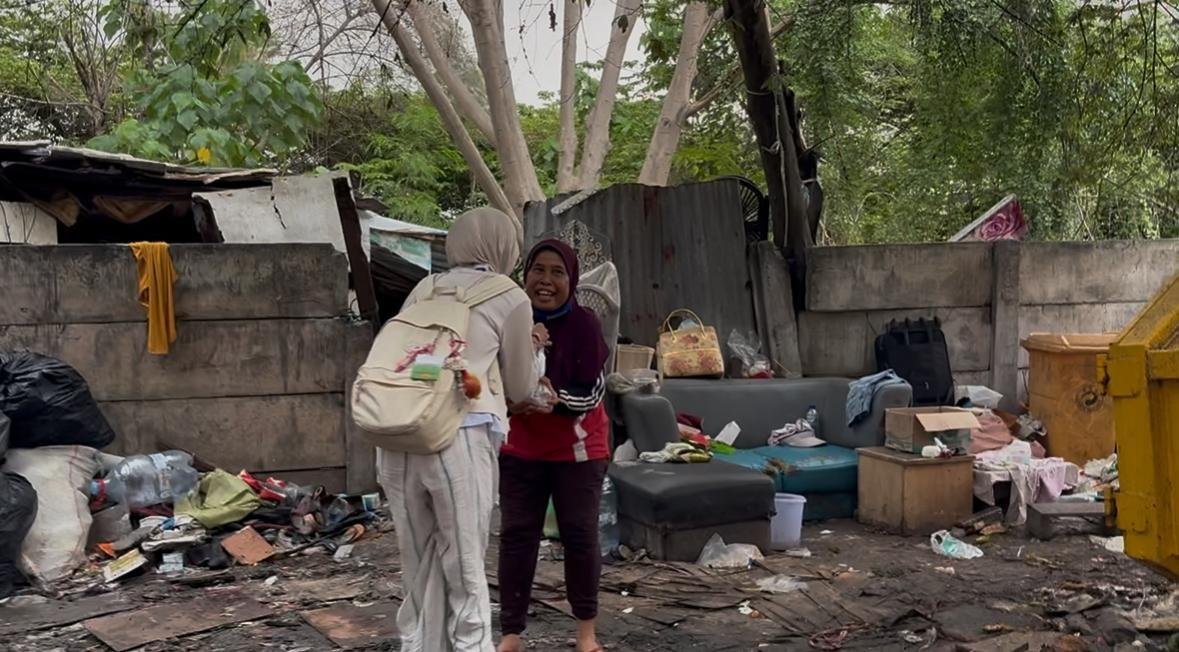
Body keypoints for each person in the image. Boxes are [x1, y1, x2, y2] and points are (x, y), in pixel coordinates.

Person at [376, 207, 538, 652]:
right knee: (465, 565)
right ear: (505, 246)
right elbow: (522, 386)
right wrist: (535, 353)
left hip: (398, 433)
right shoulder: (509, 295)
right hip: (459, 437)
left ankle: (419, 644)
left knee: (418, 560)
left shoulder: (424, 287)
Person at [497, 239, 612, 652]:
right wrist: (510, 397)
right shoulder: (509, 321)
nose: (546, 281)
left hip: (577, 448)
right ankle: (511, 633)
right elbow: (491, 379)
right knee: (516, 536)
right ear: (524, 276)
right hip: (519, 447)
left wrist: (555, 400)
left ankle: (586, 633)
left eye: (557, 272)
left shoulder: (584, 325)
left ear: (572, 279)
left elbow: (595, 393)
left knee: (579, 535)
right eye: (538, 270)